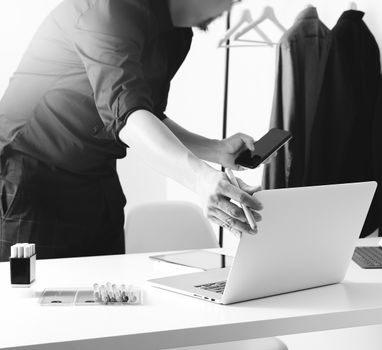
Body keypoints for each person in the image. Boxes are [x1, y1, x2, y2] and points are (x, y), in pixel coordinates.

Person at [0, 0, 261, 261]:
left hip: (98, 182)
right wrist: (200, 179)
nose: (232, 5)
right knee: (32, 297)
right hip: (31, 180)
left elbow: (147, 115)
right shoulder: (107, 10)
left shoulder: (178, 36)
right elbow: (126, 115)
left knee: (109, 297)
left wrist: (216, 150)